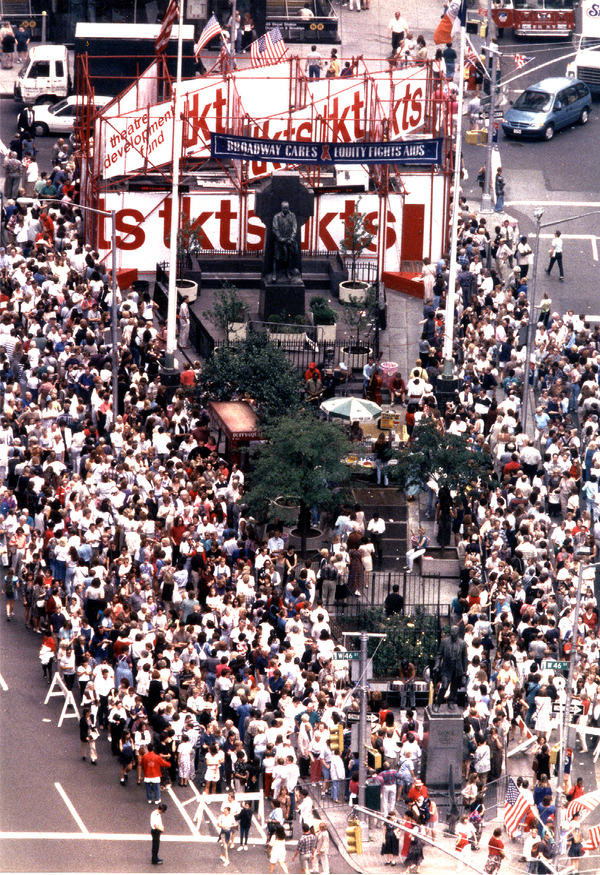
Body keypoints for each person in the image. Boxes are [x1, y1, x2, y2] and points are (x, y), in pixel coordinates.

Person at [433, 625, 468, 711]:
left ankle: (451, 701)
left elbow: (464, 659)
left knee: (454, 687)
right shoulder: (444, 642)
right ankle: (438, 703)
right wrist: (437, 665)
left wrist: (464, 672)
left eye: (454, 633)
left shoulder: (462, 643)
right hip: (447, 668)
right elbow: (438, 655)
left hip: (457, 669)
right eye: (452, 632)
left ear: (458, 633)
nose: (453, 634)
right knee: (444, 686)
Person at [271, 202, 298, 281]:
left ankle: (288, 271)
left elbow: (294, 228)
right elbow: (275, 229)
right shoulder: (277, 217)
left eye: (287, 208)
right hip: (279, 241)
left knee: (289, 257)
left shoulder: (292, 216)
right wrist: (280, 238)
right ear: (281, 208)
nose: (285, 209)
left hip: (289, 240)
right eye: (284, 208)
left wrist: (291, 239)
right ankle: (274, 273)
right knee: (277, 257)